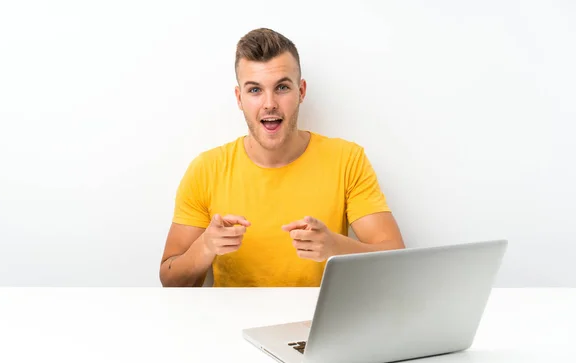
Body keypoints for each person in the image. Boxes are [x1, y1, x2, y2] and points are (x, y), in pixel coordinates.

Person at [159, 28, 405, 287]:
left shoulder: (347, 159)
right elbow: (170, 280)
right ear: (239, 98)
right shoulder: (206, 170)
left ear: (301, 91)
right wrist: (205, 247)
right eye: (254, 90)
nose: (269, 103)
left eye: (282, 87)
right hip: (232, 324)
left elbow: (397, 262)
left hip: (319, 324)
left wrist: (336, 248)